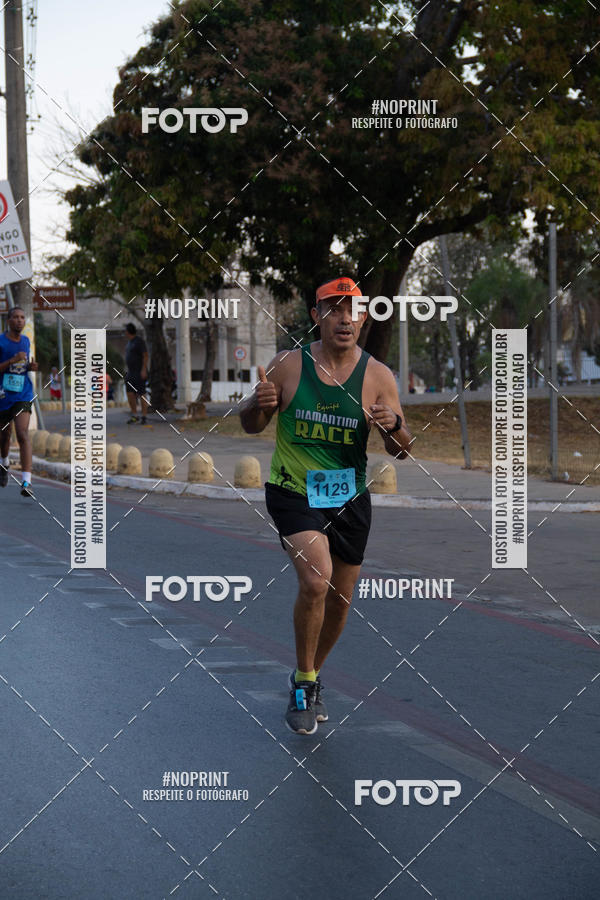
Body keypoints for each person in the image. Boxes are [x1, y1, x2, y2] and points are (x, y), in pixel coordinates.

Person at [240, 276, 412, 734]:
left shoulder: (377, 376)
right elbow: (251, 425)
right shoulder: (288, 365)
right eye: (333, 309)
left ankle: (307, 677)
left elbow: (403, 449)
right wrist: (259, 405)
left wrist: (393, 424)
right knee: (317, 579)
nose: (343, 318)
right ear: (316, 317)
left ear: (362, 318)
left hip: (349, 496)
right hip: (293, 490)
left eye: (352, 309)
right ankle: (303, 687)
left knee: (340, 601)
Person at [0, 306, 39, 498]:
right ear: (8, 321)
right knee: (4, 437)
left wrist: (31, 367)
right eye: (15, 317)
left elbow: (24, 366)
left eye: (22, 317)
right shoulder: (1, 341)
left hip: (23, 393)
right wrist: (13, 359)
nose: (19, 320)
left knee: (22, 433)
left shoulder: (25, 340)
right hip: (3, 396)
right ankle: (5, 462)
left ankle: (26, 482)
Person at [124, 323, 149, 424]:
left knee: (141, 394)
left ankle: (144, 416)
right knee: (130, 394)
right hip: (130, 372)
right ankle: (134, 415)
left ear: (128, 331)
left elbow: (145, 356)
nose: (124, 333)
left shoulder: (139, 341)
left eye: (125, 331)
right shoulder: (129, 343)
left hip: (139, 372)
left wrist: (143, 370)